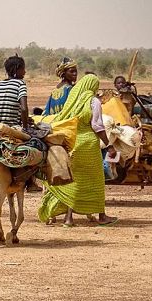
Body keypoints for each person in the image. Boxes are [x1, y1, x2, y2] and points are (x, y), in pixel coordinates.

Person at [38, 74, 118, 227]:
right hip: (88, 145)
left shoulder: (74, 99)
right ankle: (102, 215)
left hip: (73, 142)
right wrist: (109, 145)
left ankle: (68, 218)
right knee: (96, 180)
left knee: (74, 180)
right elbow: (97, 126)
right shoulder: (94, 101)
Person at [0, 55, 28, 128]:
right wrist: (26, 128)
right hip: (12, 126)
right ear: (16, 69)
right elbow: (24, 109)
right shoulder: (20, 84)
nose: (25, 72)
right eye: (23, 69)